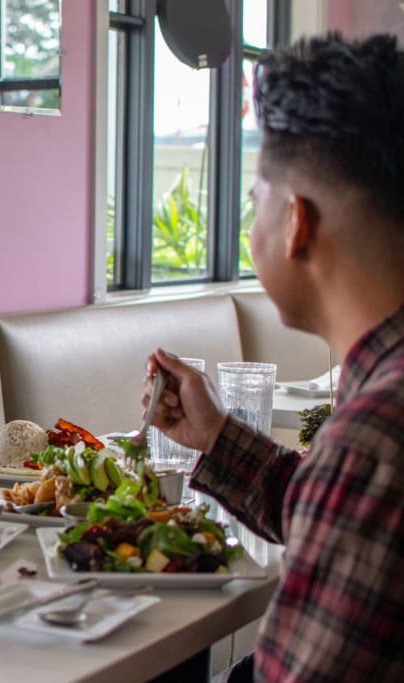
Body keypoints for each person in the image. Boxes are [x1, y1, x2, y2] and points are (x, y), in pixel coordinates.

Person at [144, 33, 404, 681]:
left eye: (256, 198)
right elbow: (345, 514)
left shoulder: (376, 432)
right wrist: (216, 436)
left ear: (296, 223)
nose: (251, 218)